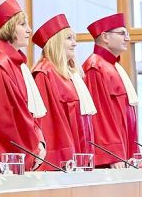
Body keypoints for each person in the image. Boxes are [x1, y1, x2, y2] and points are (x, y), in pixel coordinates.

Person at [0, 0, 46, 169]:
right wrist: (34, 146)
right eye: (22, 24)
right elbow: (8, 119)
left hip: (16, 152)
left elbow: (25, 111)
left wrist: (40, 141)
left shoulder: (14, 63)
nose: (29, 30)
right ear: (8, 28)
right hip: (4, 157)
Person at [31, 14, 96, 170]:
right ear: (55, 42)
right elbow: (48, 125)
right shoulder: (44, 73)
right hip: (62, 162)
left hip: (78, 156)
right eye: (69, 38)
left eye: (74, 39)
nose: (75, 43)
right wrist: (65, 159)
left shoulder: (71, 75)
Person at [82, 13, 139, 168]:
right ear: (105, 36)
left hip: (123, 152)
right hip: (111, 160)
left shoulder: (113, 67)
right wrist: (112, 154)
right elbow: (99, 117)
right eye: (122, 33)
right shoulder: (95, 67)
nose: (127, 38)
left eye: (127, 34)